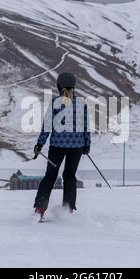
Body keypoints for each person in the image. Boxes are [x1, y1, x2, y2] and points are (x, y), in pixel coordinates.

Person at [33, 72, 91, 218]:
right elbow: (86, 126)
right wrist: (86, 145)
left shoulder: (55, 102)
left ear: (58, 85)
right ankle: (68, 209)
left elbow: (47, 125)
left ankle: (40, 208)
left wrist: (40, 144)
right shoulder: (82, 103)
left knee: (50, 177)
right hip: (77, 146)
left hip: (57, 146)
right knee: (70, 177)